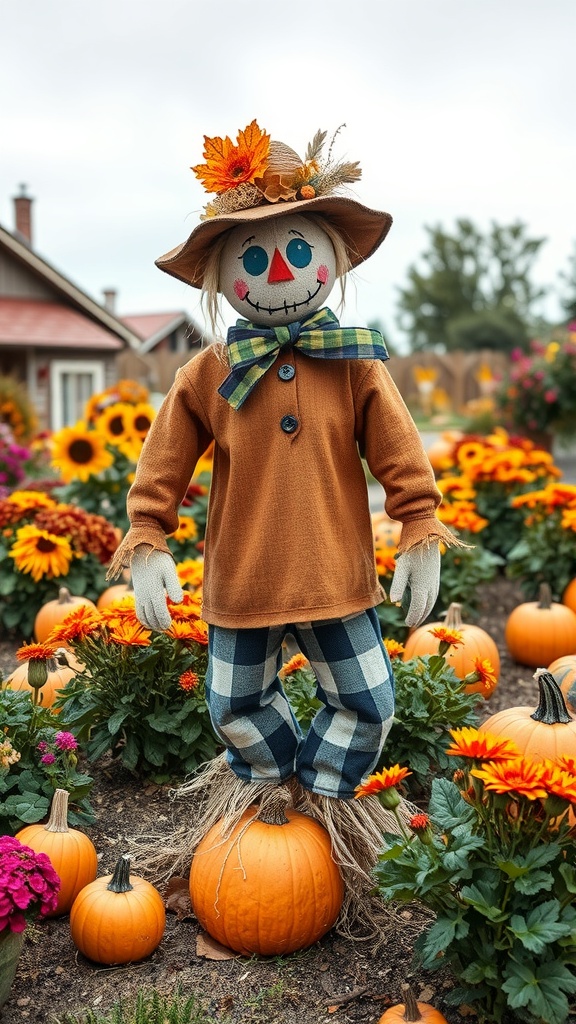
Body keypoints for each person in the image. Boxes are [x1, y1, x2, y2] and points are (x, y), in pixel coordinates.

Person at [108, 121, 459, 932]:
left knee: (369, 701)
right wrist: (148, 535)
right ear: (223, 279)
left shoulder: (354, 361)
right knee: (234, 704)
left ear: (330, 258)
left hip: (337, 576)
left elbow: (400, 452)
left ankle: (319, 803)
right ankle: (272, 792)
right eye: (256, 258)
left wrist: (419, 522)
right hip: (245, 579)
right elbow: (164, 461)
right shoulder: (209, 372)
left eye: (298, 252)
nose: (278, 272)